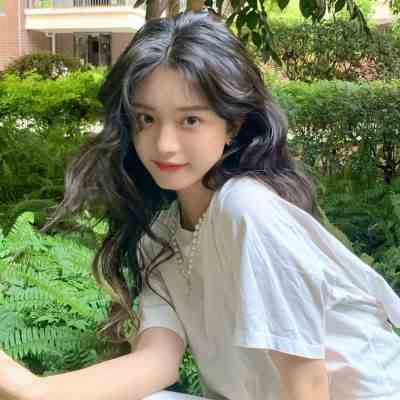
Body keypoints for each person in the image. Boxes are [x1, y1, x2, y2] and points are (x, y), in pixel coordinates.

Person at [1, 10, 400, 400]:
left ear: (233, 125)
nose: (164, 145)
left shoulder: (247, 209)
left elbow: (308, 385)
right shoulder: (160, 236)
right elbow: (156, 363)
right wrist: (34, 390)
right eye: (146, 119)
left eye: (190, 120)